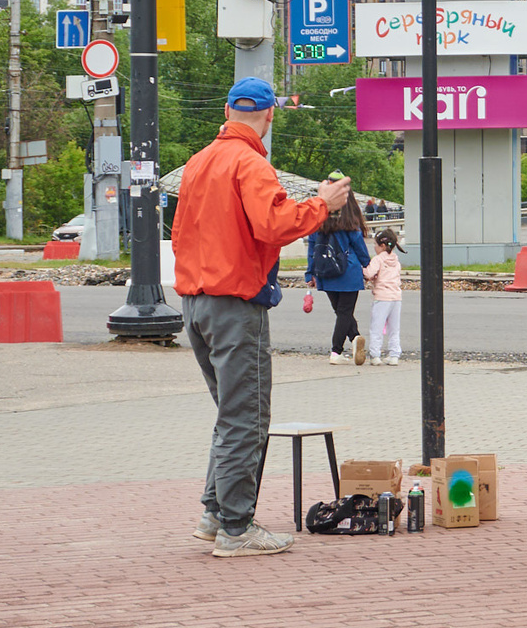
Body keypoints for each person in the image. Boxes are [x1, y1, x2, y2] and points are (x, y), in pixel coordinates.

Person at [173, 77, 351, 556]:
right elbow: (274, 225)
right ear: (270, 114)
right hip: (234, 303)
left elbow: (183, 231)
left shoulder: (198, 162)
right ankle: (236, 528)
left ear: (227, 110)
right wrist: (323, 204)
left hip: (196, 301)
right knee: (247, 419)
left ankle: (215, 514)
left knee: (230, 415)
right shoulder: (250, 163)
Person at [304, 177, 371, 364]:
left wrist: (310, 273)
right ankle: (336, 352)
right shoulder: (350, 224)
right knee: (344, 312)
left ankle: (355, 337)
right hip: (348, 271)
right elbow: (360, 249)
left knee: (341, 312)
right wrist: (368, 266)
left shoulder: (317, 223)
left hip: (325, 271)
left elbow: (312, 249)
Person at [362, 228, 405, 364]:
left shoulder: (378, 259)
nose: (374, 247)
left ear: (382, 246)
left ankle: (375, 355)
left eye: (375, 244)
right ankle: (394, 355)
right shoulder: (396, 260)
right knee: (394, 329)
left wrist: (362, 270)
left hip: (382, 297)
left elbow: (369, 273)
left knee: (377, 327)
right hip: (396, 297)